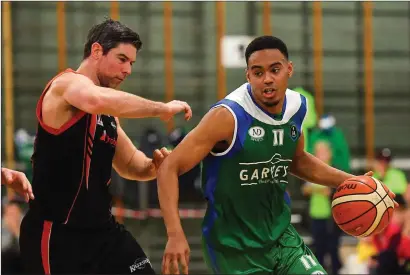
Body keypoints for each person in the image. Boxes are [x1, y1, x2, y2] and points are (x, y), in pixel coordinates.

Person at [156, 36, 397, 274]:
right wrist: (175, 234)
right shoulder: (227, 116)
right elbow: (169, 167)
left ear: (289, 70)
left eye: (275, 70)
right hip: (234, 250)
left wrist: (353, 183)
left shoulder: (297, 107)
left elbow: (298, 159)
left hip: (282, 239)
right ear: (248, 75)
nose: (267, 79)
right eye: (258, 73)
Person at [19, 19, 192, 275]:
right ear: (97, 51)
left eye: (131, 63)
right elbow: (94, 99)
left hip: (103, 233)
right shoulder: (66, 85)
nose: (128, 70)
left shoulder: (109, 115)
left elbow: (131, 164)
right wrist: (162, 109)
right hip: (56, 235)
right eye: (122, 59)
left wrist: (154, 165)